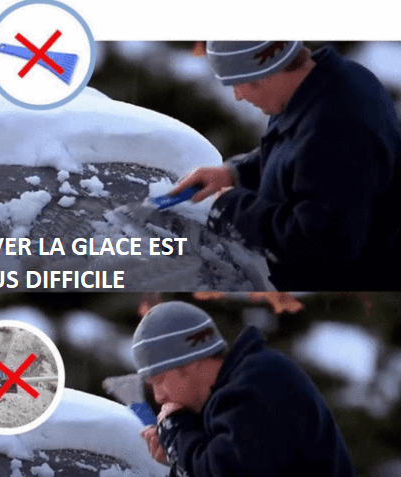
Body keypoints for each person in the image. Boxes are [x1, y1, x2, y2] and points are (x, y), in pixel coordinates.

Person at [170, 41, 401, 291]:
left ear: (265, 73)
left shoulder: (336, 129)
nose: (238, 96)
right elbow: (301, 156)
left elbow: (318, 246)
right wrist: (234, 173)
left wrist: (228, 207)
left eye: (238, 83)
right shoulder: (328, 82)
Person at [133, 301, 356, 477]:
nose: (159, 396)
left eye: (159, 379)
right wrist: (179, 455)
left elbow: (230, 471)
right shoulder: (236, 394)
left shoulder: (260, 381)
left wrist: (178, 434)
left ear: (192, 361)